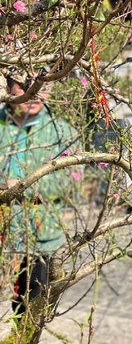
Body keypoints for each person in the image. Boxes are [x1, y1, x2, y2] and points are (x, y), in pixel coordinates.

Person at [0, 73, 79, 315]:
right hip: (3, 231)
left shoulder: (61, 133)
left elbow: (68, 182)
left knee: (30, 310)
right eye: (25, 86)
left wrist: (23, 186)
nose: (34, 94)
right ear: (9, 87)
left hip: (41, 232)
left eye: (42, 87)